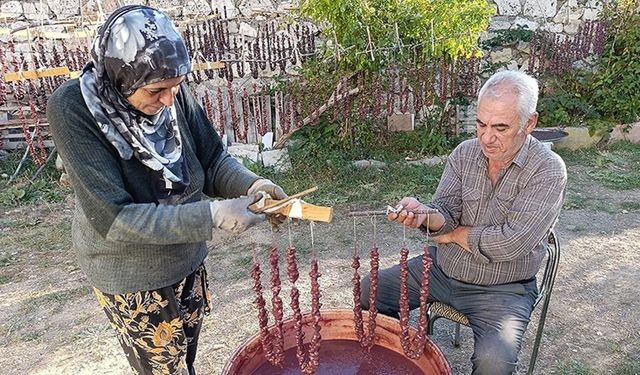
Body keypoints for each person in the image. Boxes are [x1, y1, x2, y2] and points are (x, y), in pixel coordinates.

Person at [47, 5, 287, 374]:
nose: (169, 99)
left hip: (186, 257)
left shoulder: (170, 86)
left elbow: (211, 160)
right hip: (131, 272)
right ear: (121, 77)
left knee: (184, 359)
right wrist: (213, 214)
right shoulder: (73, 109)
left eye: (175, 87)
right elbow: (115, 219)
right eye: (157, 90)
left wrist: (253, 184)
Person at [360, 70, 567, 374]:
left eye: (500, 127)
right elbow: (445, 210)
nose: (486, 137)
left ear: (530, 123)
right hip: (443, 270)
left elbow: (512, 242)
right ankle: (392, 363)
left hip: (503, 288)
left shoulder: (548, 170)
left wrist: (454, 235)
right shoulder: (464, 154)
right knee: (370, 288)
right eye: (481, 124)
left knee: (494, 364)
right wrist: (424, 215)